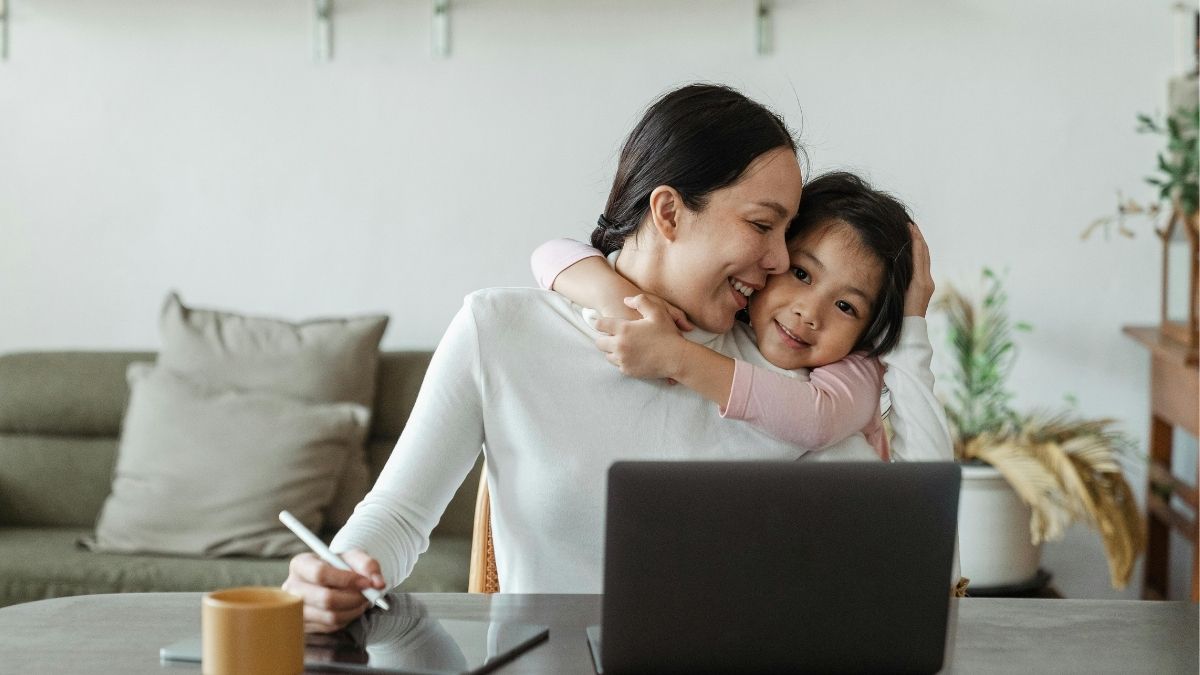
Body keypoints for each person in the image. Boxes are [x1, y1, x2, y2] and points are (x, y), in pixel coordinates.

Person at [283, 83, 952, 633]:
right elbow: (398, 517)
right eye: (760, 224)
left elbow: (916, 547)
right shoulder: (501, 330)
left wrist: (913, 327)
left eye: (787, 232)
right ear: (668, 211)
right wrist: (338, 569)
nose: (780, 261)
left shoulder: (789, 376)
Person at [531, 172, 923, 460]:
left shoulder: (857, 368)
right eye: (801, 274)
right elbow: (550, 252)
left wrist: (676, 358)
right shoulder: (730, 316)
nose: (809, 312)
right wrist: (620, 300)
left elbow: (817, 420)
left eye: (846, 307)